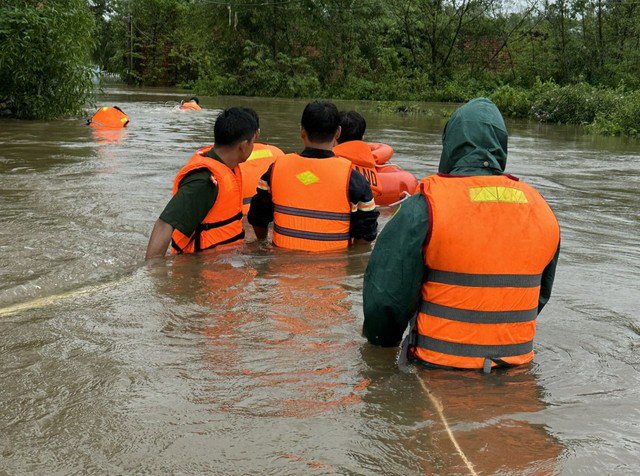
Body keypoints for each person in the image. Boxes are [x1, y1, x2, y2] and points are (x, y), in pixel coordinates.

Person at [363, 98, 560, 373]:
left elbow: (385, 300)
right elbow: (540, 295)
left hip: (436, 369)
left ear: (451, 143)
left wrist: (380, 351)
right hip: (517, 375)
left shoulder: (424, 207)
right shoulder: (542, 210)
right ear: (501, 144)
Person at [248, 100, 379, 252]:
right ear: (338, 132)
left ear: (302, 131)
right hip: (333, 271)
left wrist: (263, 242)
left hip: (282, 267)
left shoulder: (276, 170)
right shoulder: (354, 179)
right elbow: (366, 234)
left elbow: (257, 217)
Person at [145, 107, 257, 259]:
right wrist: (154, 270)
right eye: (253, 142)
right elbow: (164, 224)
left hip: (221, 263)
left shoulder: (228, 168)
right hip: (196, 268)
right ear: (243, 146)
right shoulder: (204, 180)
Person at [238, 107, 285, 214]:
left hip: (238, 217)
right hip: (272, 216)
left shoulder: (228, 158)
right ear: (258, 132)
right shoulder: (278, 153)